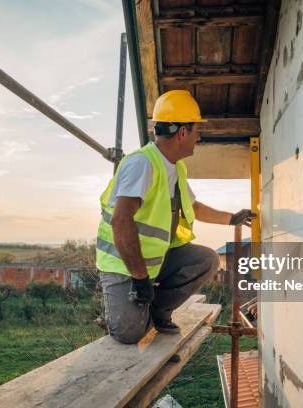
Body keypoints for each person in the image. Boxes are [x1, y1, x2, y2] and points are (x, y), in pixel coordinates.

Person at [96, 90, 256, 344]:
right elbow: (121, 221)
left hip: (155, 262)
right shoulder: (142, 164)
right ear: (182, 132)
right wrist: (139, 279)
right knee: (129, 334)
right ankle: (118, 313)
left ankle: (157, 311)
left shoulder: (175, 167)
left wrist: (231, 218)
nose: (198, 136)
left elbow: (194, 207)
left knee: (206, 259)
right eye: (196, 130)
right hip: (124, 266)